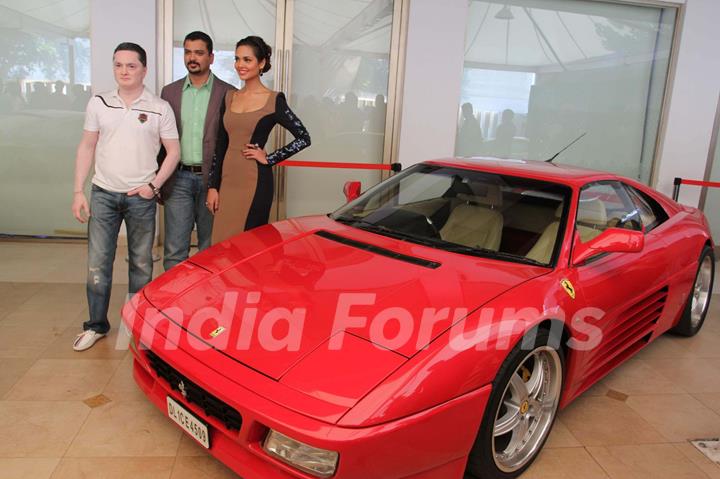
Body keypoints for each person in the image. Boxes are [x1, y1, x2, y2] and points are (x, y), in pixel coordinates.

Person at [71, 42, 180, 351]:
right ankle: (96, 325)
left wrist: (154, 186)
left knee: (141, 265)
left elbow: (173, 152)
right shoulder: (99, 103)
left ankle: (138, 325)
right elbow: (87, 146)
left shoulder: (159, 107)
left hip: (141, 198)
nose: (124, 71)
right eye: (118, 65)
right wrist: (79, 190)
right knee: (98, 263)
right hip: (103, 194)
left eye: (131, 66)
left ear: (144, 70)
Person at [207, 36, 310, 243]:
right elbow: (221, 144)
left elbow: (303, 137)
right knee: (222, 243)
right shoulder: (229, 97)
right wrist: (213, 186)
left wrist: (270, 158)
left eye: (247, 60)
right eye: (237, 59)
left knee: (247, 245)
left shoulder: (274, 100)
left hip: (254, 182)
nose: (240, 65)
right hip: (228, 183)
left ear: (261, 63)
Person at [159, 31, 235, 271]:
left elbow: (231, 139)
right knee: (174, 250)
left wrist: (221, 184)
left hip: (212, 181)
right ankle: (171, 302)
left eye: (199, 53)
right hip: (178, 178)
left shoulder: (229, 93)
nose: (193, 58)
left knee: (210, 248)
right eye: (188, 52)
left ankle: (207, 302)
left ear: (211, 57)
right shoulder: (169, 92)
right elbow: (160, 139)